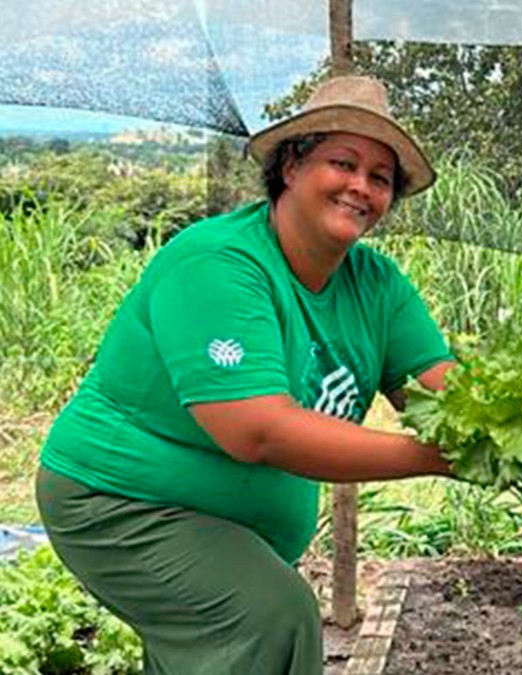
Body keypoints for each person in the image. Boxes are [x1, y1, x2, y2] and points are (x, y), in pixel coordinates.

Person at [36, 76, 457, 675]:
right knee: (269, 615)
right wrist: (434, 458)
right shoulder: (219, 265)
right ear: (291, 166)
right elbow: (256, 431)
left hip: (228, 522)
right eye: (343, 162)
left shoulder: (377, 285)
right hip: (120, 499)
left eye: (380, 177)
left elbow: (444, 392)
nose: (361, 186)